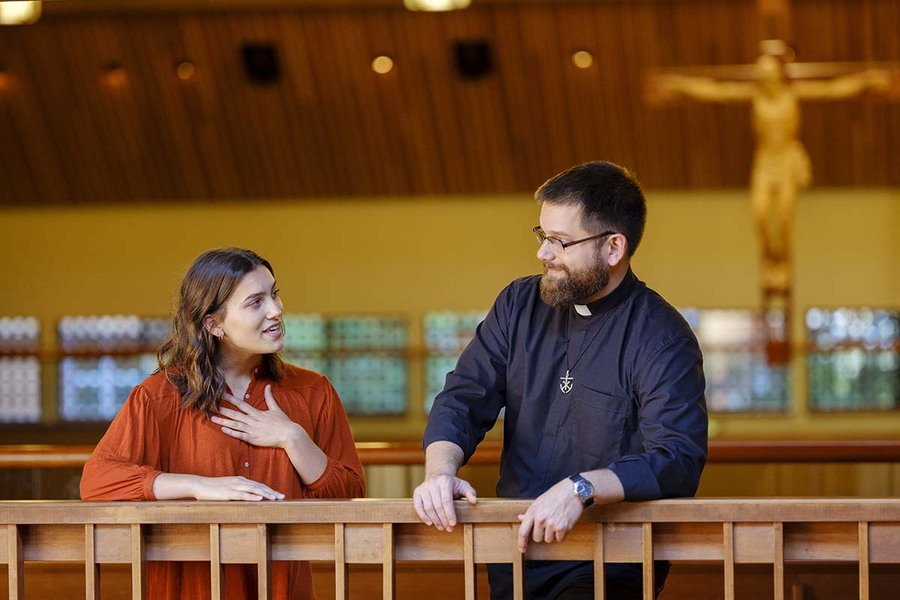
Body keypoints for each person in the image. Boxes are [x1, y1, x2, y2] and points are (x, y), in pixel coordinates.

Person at [413, 161, 708, 599]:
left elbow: (678, 457)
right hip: (515, 549)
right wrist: (439, 473)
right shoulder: (518, 304)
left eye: (561, 242)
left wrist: (582, 488)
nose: (543, 253)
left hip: (609, 558)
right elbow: (464, 396)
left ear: (613, 248)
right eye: (542, 236)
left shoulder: (662, 336)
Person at [81, 247, 365, 600]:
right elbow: (97, 479)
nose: (276, 311)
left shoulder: (313, 391)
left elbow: (351, 492)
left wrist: (293, 439)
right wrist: (198, 486)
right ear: (213, 324)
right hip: (190, 588)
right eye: (255, 302)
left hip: (281, 588)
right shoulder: (158, 396)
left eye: (274, 295)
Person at [652, 50, 890, 294]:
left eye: (768, 72)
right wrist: (679, 84)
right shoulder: (755, 95)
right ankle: (769, 259)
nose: (764, 76)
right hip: (765, 163)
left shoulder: (793, 94)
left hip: (787, 160)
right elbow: (715, 90)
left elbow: (833, 89)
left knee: (785, 218)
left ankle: (783, 263)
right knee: (761, 216)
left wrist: (866, 80)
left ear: (778, 75)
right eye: (761, 73)